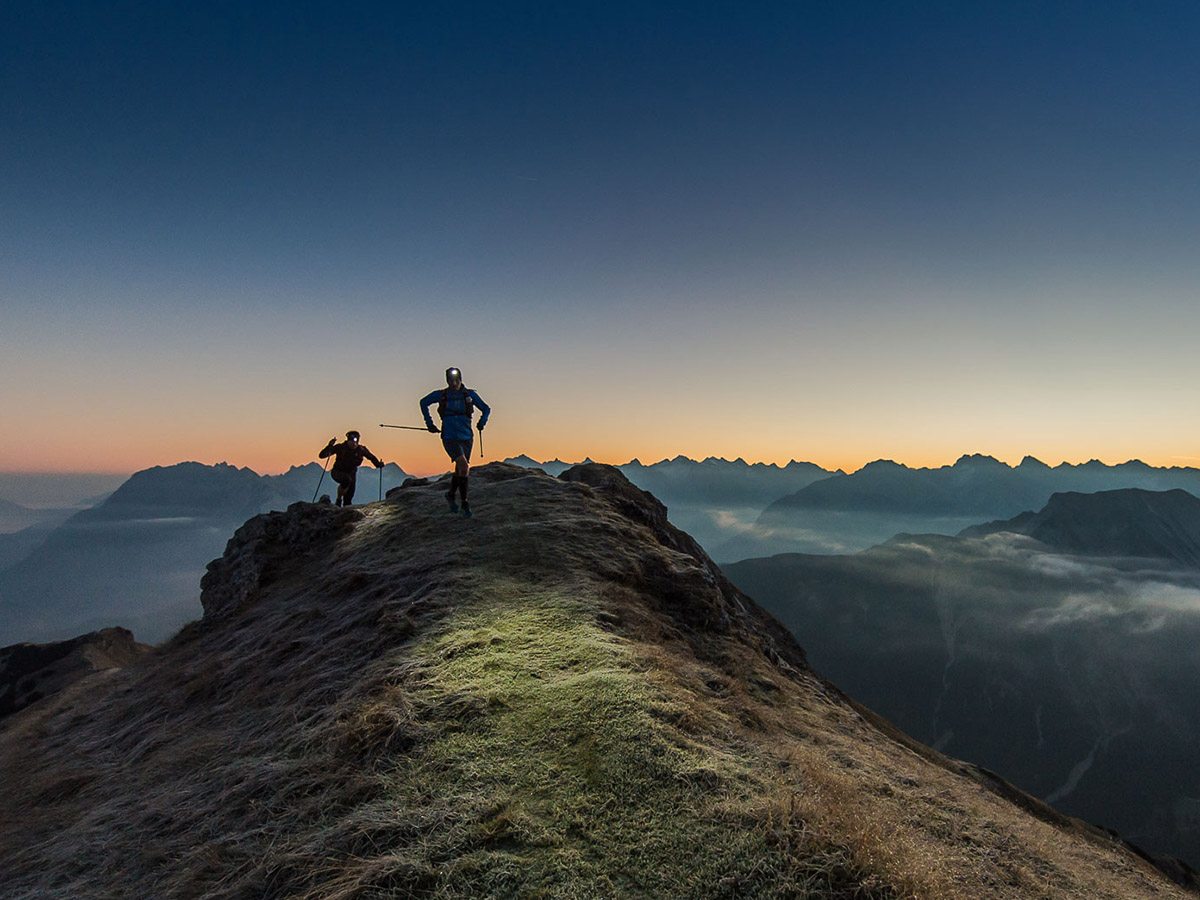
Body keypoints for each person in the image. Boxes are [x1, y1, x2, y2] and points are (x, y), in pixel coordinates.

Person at [420, 367, 490, 517]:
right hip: (449, 437)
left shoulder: (470, 395)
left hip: (467, 437)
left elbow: (486, 409)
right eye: (451, 380)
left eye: (456, 380)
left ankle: (451, 495)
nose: (454, 383)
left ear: (461, 379)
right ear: (447, 380)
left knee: (460, 469)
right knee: (464, 466)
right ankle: (465, 502)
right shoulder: (442, 395)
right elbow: (423, 402)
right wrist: (429, 424)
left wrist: (482, 422)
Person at [319, 431, 384, 507]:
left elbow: (371, 457)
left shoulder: (361, 450)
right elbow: (322, 455)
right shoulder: (340, 447)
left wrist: (378, 464)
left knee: (349, 498)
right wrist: (330, 446)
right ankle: (339, 499)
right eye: (352, 441)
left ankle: (344, 512)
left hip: (352, 473)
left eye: (356, 442)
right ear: (348, 441)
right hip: (337, 472)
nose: (354, 444)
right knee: (346, 480)